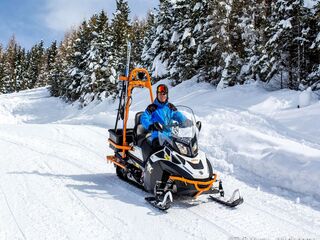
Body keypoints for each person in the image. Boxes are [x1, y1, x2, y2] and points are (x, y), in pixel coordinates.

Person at [141, 84, 187, 149]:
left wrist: (187, 122)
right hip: (158, 136)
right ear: (157, 95)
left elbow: (178, 115)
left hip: (170, 136)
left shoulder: (170, 107)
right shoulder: (152, 108)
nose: (162, 96)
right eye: (160, 94)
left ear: (167, 95)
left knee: (181, 149)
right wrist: (151, 125)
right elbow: (144, 118)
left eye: (164, 94)